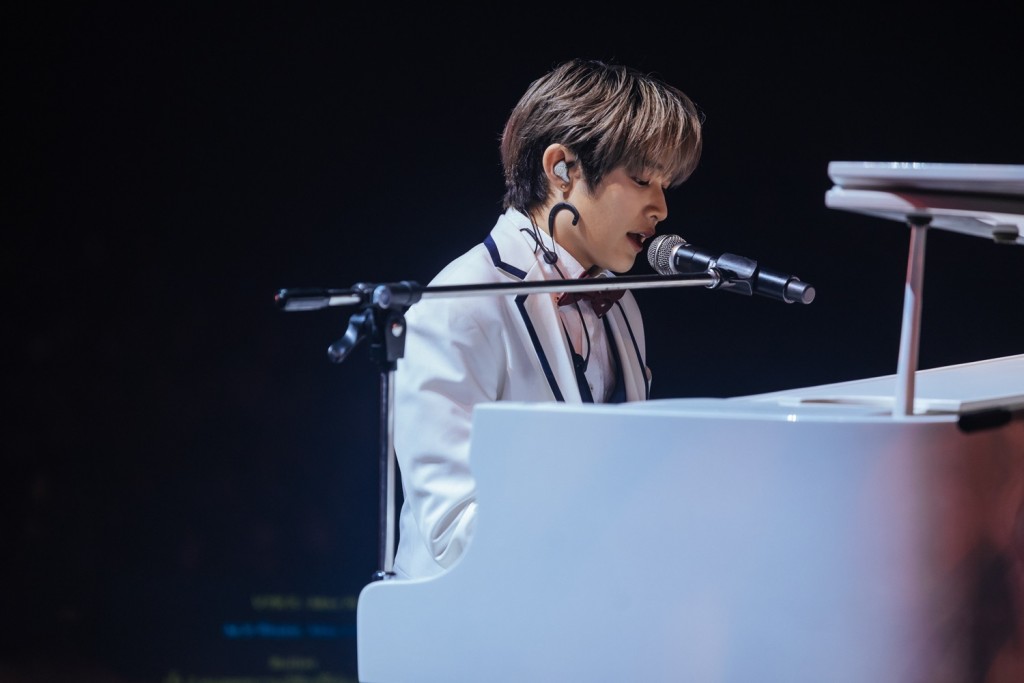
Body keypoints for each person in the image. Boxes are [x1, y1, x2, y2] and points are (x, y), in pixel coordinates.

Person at [391, 58, 704, 579]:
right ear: (561, 168)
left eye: (665, 185)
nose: (661, 208)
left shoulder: (621, 302)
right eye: (642, 178)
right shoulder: (459, 303)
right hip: (470, 619)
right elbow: (452, 531)